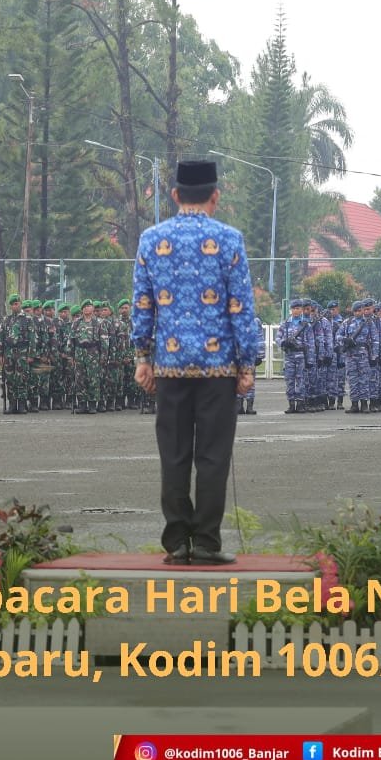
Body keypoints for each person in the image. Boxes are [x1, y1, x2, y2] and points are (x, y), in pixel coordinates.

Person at [132, 159, 257, 566]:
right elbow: (241, 307)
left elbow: (142, 303)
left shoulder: (151, 239)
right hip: (217, 366)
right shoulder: (229, 240)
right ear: (214, 196)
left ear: (175, 195)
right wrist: (247, 364)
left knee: (173, 454)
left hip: (169, 365)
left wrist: (143, 357)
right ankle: (205, 542)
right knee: (213, 456)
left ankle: (176, 542)